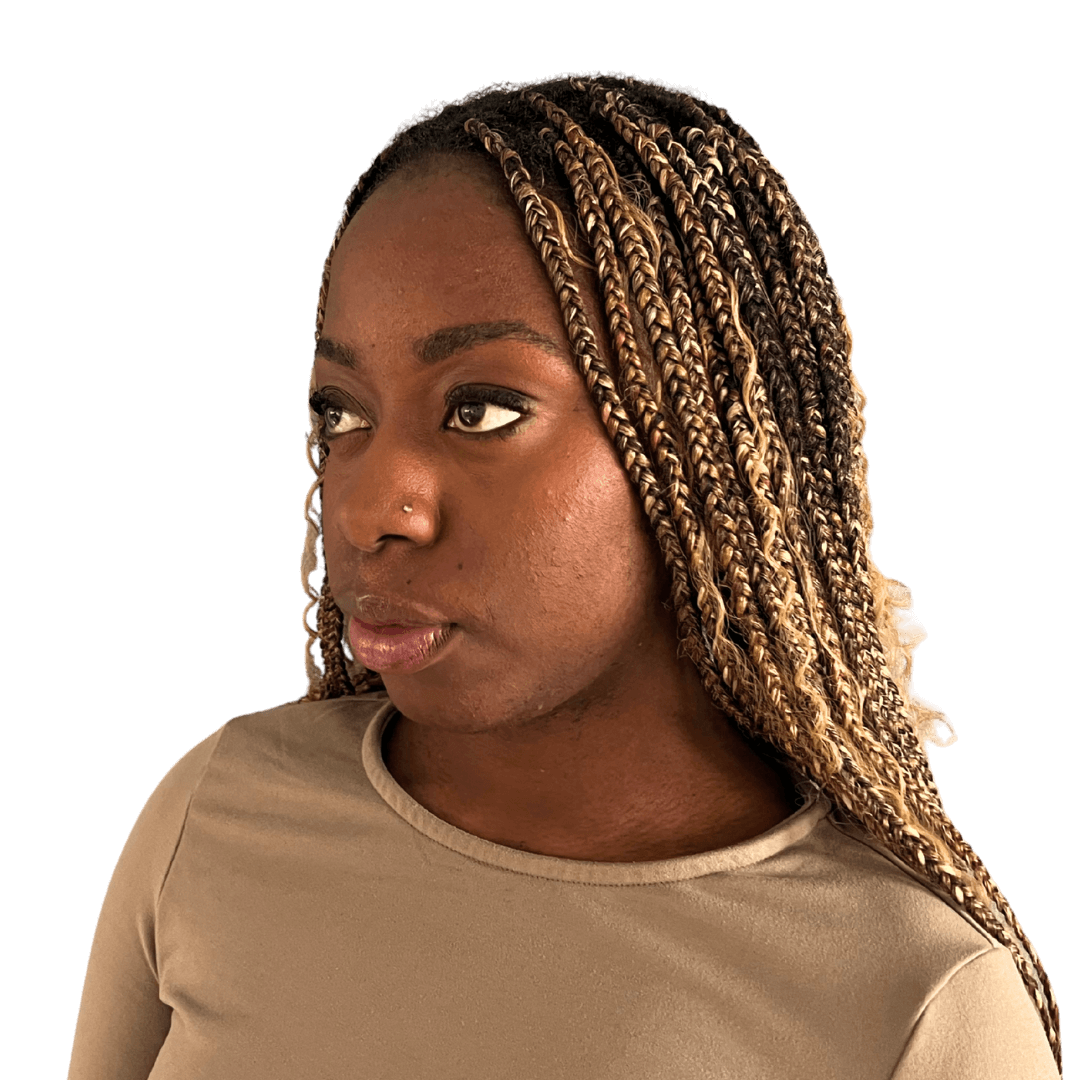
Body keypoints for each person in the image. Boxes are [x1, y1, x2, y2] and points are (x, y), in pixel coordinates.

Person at [69, 74, 1062, 1078]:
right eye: (342, 412)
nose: (368, 510)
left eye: (481, 410)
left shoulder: (913, 1001)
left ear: (700, 452)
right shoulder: (220, 813)